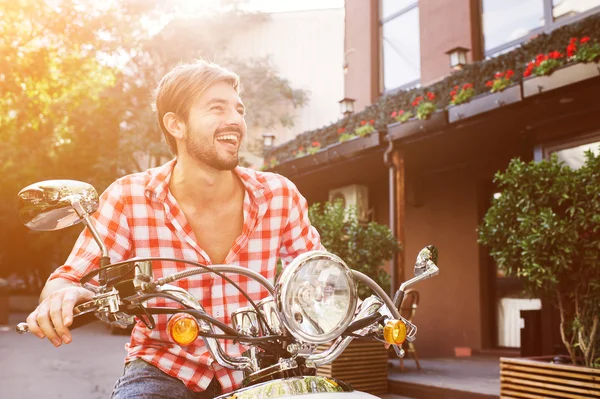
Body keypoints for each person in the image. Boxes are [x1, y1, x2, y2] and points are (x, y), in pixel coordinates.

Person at [24, 60, 323, 398]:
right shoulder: (129, 196)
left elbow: (320, 276)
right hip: (164, 365)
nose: (235, 120)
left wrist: (337, 300)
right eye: (217, 108)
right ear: (177, 125)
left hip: (260, 365)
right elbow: (66, 280)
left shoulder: (278, 194)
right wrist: (64, 295)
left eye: (239, 110)